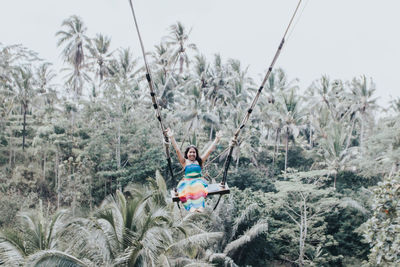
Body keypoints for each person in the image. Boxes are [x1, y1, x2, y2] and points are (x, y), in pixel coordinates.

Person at [166, 128, 222, 212]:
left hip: (198, 181)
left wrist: (216, 139)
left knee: (199, 188)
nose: (192, 154)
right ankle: (191, 207)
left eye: (194, 152)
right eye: (190, 152)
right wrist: (171, 137)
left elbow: (209, 150)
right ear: (187, 154)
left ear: (196, 154)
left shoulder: (199, 161)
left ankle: (200, 207)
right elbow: (177, 150)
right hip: (187, 181)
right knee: (186, 189)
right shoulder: (184, 162)